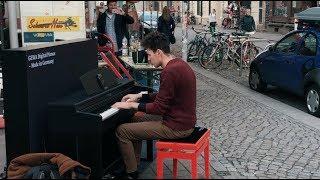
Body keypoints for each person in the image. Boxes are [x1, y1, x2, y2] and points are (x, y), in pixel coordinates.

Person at [110, 32, 197, 179]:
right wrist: (139, 96)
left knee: (121, 131)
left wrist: (131, 106)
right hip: (183, 121)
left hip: (176, 127)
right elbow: (164, 96)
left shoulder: (169, 72)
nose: (148, 59)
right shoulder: (179, 64)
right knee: (135, 119)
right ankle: (134, 164)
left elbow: (158, 108)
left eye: (149, 54)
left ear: (159, 52)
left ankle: (131, 173)